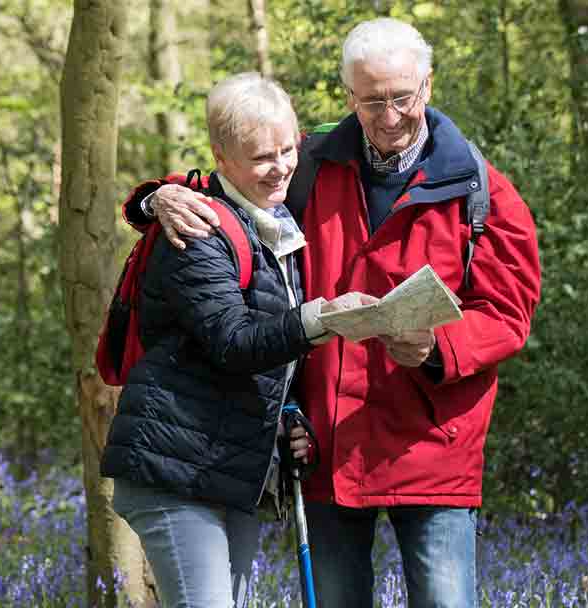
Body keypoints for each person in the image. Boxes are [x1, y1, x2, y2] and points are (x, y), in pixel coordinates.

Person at [120, 18, 542, 608]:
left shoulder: (480, 189)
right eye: (372, 101)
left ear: (427, 85)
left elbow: (508, 311)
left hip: (433, 444)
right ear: (349, 97)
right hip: (328, 443)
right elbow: (227, 184)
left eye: (403, 97)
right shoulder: (309, 162)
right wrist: (154, 198)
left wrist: (438, 348)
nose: (389, 116)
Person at [100, 72, 371, 608]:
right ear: (222, 159)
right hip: (174, 467)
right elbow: (232, 341)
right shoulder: (196, 231)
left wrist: (287, 416)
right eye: (262, 157)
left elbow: (258, 360)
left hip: (228, 464)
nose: (282, 166)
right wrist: (319, 318)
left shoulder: (275, 221)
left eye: (288, 150)